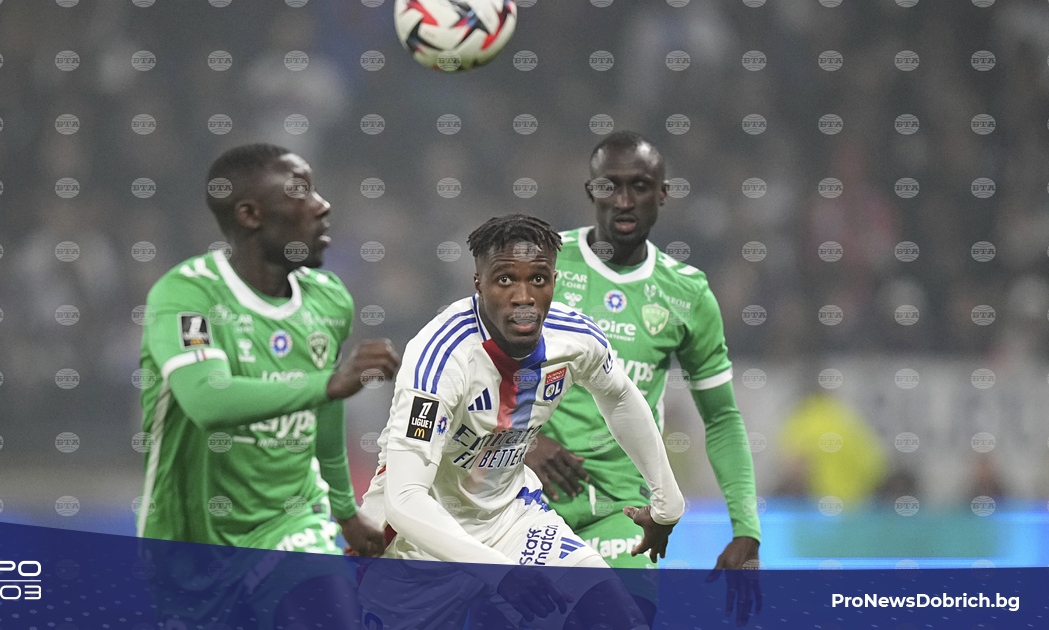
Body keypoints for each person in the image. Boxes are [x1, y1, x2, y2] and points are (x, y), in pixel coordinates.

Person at [357, 214, 684, 629]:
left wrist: (668, 503)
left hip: (513, 521)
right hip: (421, 544)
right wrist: (498, 572)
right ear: (478, 284)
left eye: (538, 279)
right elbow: (404, 499)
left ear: (554, 281)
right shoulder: (440, 359)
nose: (523, 297)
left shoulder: (574, 338)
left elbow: (619, 397)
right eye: (505, 280)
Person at [136, 143, 397, 628]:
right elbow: (207, 399)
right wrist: (330, 383)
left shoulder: (328, 299)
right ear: (250, 214)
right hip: (190, 545)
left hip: (291, 521)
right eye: (301, 192)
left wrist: (344, 510)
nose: (322, 205)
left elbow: (325, 406)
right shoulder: (188, 294)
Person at [524, 131, 762, 625]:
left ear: (663, 193)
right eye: (610, 186)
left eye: (640, 186)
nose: (625, 200)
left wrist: (746, 528)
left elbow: (721, 418)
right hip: (525, 503)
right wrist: (522, 440)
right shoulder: (542, 265)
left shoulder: (686, 294)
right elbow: (474, 373)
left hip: (624, 512)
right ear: (590, 191)